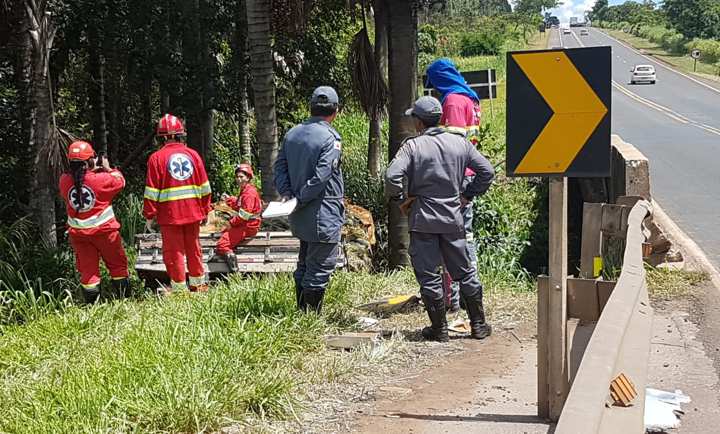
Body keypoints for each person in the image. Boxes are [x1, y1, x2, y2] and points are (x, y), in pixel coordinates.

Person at [385, 96, 495, 342]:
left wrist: (400, 198)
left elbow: (392, 175)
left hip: (423, 217)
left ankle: (440, 329)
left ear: (418, 122)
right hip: (453, 217)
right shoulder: (460, 143)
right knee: (464, 271)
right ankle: (478, 325)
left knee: (429, 275)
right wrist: (467, 195)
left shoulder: (412, 146)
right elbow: (487, 171)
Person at [273, 86, 344, 313]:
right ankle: (310, 318)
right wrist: (301, 198)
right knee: (320, 266)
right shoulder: (331, 139)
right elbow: (322, 176)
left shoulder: (292, 134)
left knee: (304, 262)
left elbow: (280, 167)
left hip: (300, 214)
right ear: (335, 111)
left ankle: (301, 312)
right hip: (323, 212)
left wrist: (289, 196)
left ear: (311, 108)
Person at [425, 58, 483, 312]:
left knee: (454, 238)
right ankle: (466, 294)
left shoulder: (453, 102)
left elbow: (452, 147)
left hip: (457, 177)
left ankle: (457, 298)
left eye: (433, 84)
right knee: (461, 235)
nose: (433, 90)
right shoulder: (469, 98)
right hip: (467, 174)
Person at [143, 114, 212, 294]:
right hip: (193, 212)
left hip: (170, 215)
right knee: (194, 249)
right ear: (180, 135)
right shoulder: (193, 155)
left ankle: (180, 291)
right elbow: (205, 187)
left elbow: (151, 191)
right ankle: (199, 286)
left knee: (174, 254)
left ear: (163, 137)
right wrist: (205, 210)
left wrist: (150, 216)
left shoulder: (156, 159)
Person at [59, 141, 129, 303]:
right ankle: (123, 301)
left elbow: (76, 181)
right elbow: (120, 181)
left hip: (79, 236)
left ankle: (92, 306)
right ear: (90, 161)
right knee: (117, 266)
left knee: (88, 272)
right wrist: (107, 167)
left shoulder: (64, 181)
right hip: (105, 233)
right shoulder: (102, 179)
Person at [214, 163, 262, 272]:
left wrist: (230, 223)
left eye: (241, 177)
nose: (238, 179)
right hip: (246, 224)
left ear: (248, 177)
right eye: (237, 177)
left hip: (248, 226)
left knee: (222, 245)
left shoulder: (248, 193)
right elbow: (240, 204)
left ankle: (235, 272)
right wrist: (229, 199)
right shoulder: (246, 190)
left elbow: (244, 214)